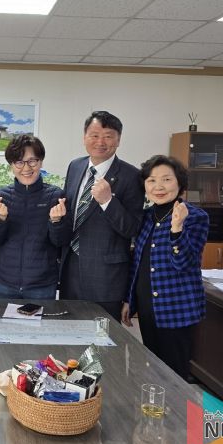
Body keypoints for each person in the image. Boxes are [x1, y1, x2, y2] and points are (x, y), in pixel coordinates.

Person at [121, 155, 209, 380]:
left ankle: (177, 405)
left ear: (180, 183)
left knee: (174, 375)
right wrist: (130, 300)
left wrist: (177, 228)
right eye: (151, 180)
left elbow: (184, 262)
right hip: (148, 308)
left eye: (166, 179)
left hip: (176, 309)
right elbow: (138, 262)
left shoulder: (195, 216)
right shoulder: (146, 216)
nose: (158, 187)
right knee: (153, 369)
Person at [60, 110, 144, 319]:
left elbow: (132, 228)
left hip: (106, 278)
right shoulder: (75, 166)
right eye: (94, 135)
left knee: (104, 337)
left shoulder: (132, 176)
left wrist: (108, 201)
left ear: (118, 140)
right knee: (69, 331)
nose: (100, 142)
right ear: (84, 137)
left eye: (108, 136)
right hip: (70, 271)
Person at [0, 135, 69, 299]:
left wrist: (56, 222)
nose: (26, 168)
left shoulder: (56, 196)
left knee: (42, 318)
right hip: (4, 283)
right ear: (11, 165)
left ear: (41, 162)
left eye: (32, 161)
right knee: (2, 318)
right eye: (19, 162)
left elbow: (61, 242)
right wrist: (0, 219)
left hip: (42, 285)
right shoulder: (1, 196)